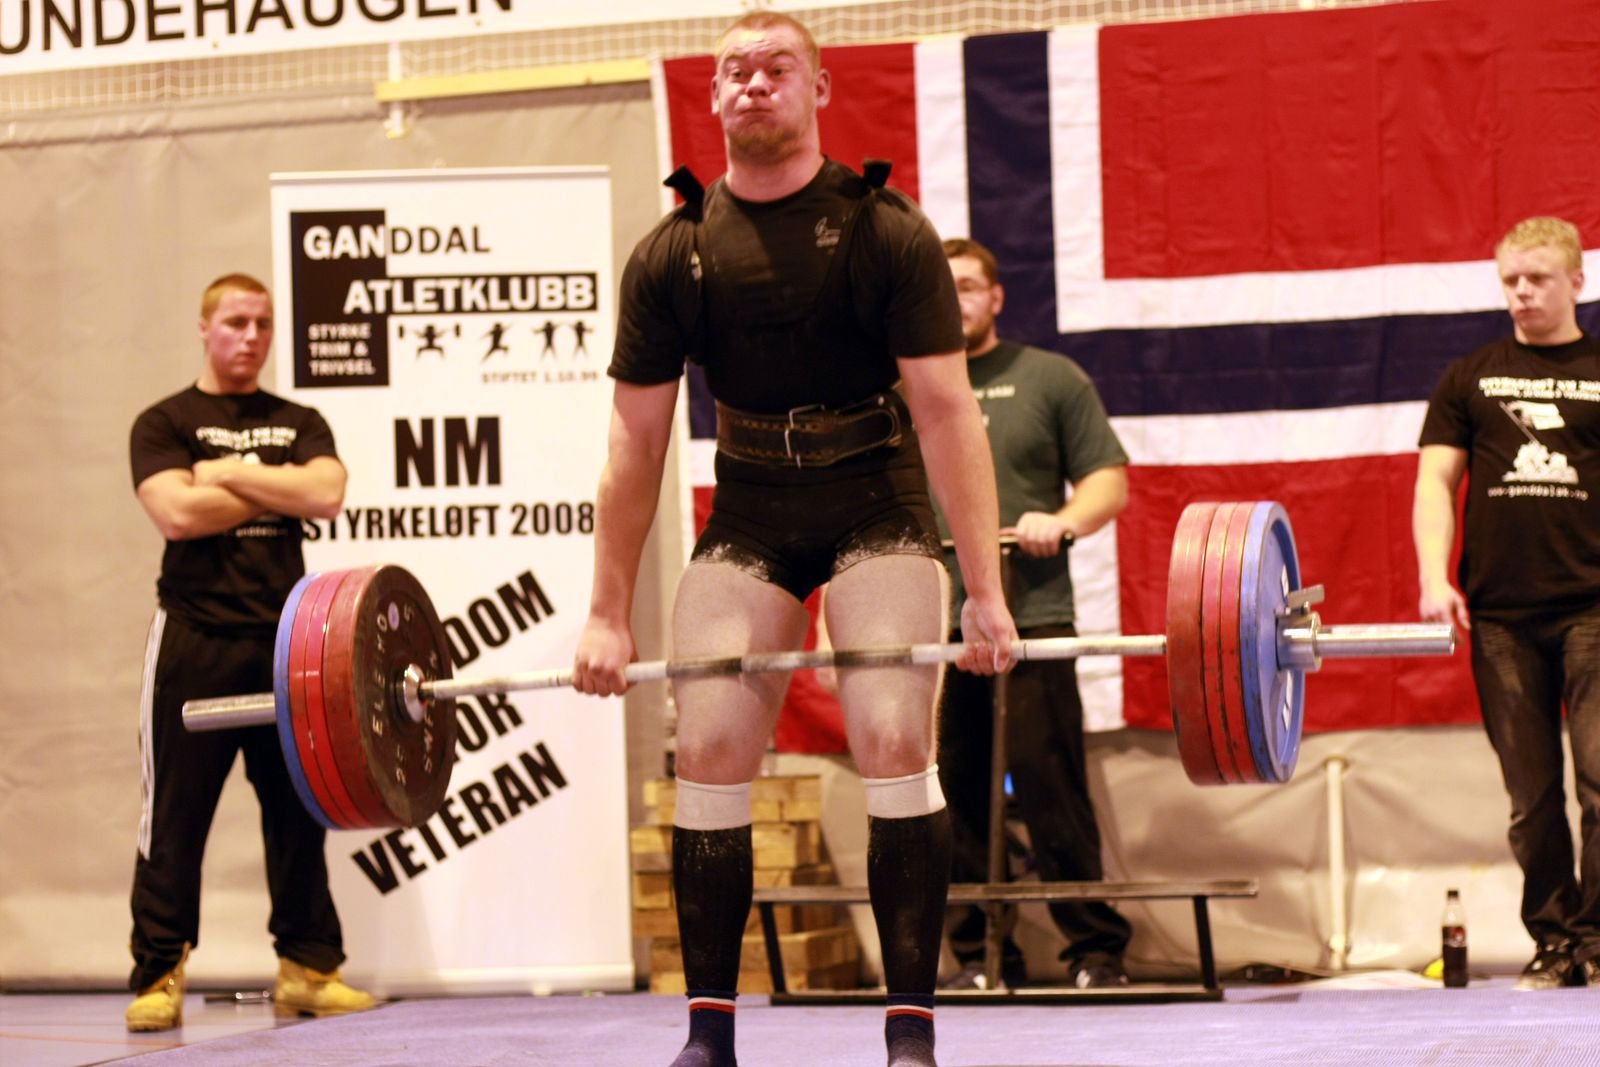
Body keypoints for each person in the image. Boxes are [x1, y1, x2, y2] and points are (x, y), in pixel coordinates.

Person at [571, 12, 1016, 1067]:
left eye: (778, 68)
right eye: (736, 69)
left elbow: (948, 415)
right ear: (713, 95)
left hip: (877, 506)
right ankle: (708, 1036)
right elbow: (634, 445)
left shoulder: (885, 231)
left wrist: (985, 592)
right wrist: (604, 612)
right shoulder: (674, 252)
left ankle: (909, 1034)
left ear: (818, 89)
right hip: (752, 513)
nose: (755, 83)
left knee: (891, 736)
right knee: (708, 749)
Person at [125, 273, 373, 1031]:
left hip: (286, 645)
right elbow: (175, 512)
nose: (252, 336)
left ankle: (309, 969)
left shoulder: (298, 418)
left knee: (298, 812)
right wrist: (278, 485)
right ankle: (158, 973)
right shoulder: (164, 421)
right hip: (194, 638)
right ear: (205, 328)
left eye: (263, 323)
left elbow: (327, 493)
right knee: (174, 817)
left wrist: (228, 474)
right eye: (236, 322)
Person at [933, 238, 1134, 990]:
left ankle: (1095, 952)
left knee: (1052, 789)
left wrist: (1062, 520)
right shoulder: (905, 387)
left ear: (995, 297)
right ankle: (980, 958)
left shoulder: (1050, 377)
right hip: (934, 628)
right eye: (941, 287)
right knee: (949, 794)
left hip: (1034, 617)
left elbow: (1108, 481)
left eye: (967, 286)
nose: (954, 299)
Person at [1413, 215, 1600, 991]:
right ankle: (1555, 939)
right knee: (1531, 797)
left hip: (1594, 607)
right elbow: (1434, 481)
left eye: (1537, 279)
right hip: (1502, 617)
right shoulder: (1471, 376)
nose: (1521, 293)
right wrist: (1434, 576)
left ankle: (1596, 939)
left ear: (1576, 281)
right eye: (1510, 280)